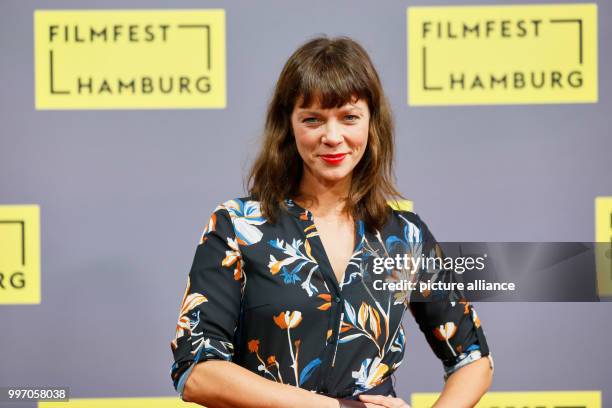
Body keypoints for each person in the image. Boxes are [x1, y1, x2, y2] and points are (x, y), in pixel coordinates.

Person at [169, 36, 494, 408]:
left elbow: (473, 358)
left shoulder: (404, 235)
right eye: (313, 119)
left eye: (349, 117)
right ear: (288, 126)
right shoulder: (238, 226)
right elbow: (197, 371)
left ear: (372, 124)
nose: (333, 137)